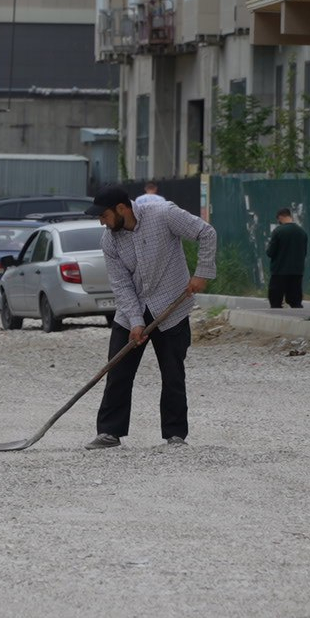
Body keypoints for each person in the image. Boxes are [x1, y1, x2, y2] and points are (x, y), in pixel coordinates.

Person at [84, 186, 216, 450]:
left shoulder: (163, 214)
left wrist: (202, 273)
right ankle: (110, 432)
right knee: (118, 371)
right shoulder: (109, 240)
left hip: (171, 308)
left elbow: (206, 233)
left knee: (172, 374)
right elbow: (121, 284)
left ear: (122, 209)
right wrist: (135, 321)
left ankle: (175, 434)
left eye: (104, 215)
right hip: (131, 310)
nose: (101, 221)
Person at [266, 207, 308, 309]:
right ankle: (299, 318)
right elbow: (304, 253)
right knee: (295, 301)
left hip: (279, 271)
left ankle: (277, 320)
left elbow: (270, 252)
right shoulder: (302, 232)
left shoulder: (278, 231)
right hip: (297, 272)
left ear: (280, 217)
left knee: (275, 300)